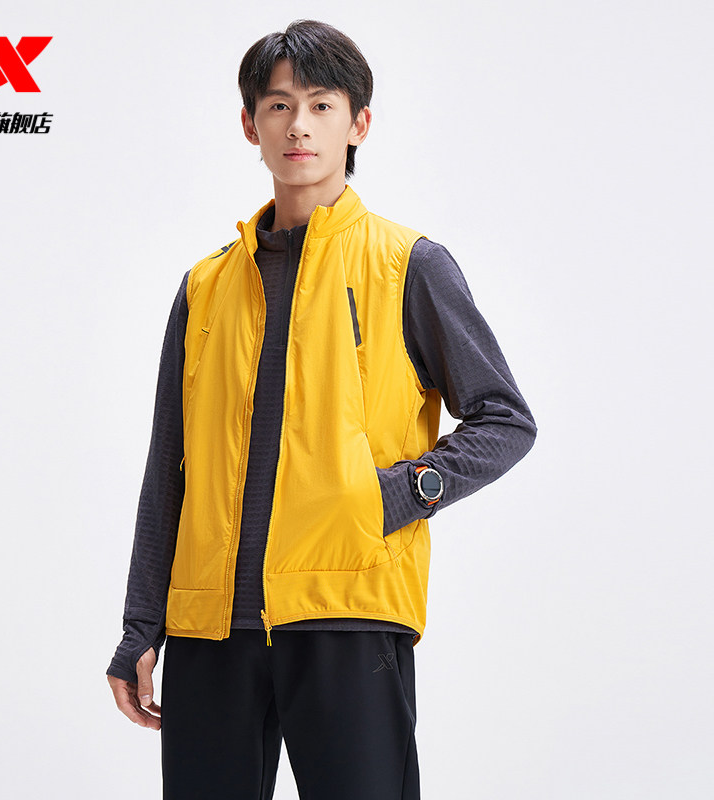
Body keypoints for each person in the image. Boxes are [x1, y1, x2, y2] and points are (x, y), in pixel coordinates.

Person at [106, 18, 537, 800]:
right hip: (210, 628)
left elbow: (504, 419)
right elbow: (169, 467)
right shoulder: (204, 287)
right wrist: (142, 626)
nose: (298, 125)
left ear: (357, 124)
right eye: (277, 106)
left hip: (348, 615)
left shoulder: (409, 264)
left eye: (321, 104)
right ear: (251, 126)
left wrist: (399, 494)